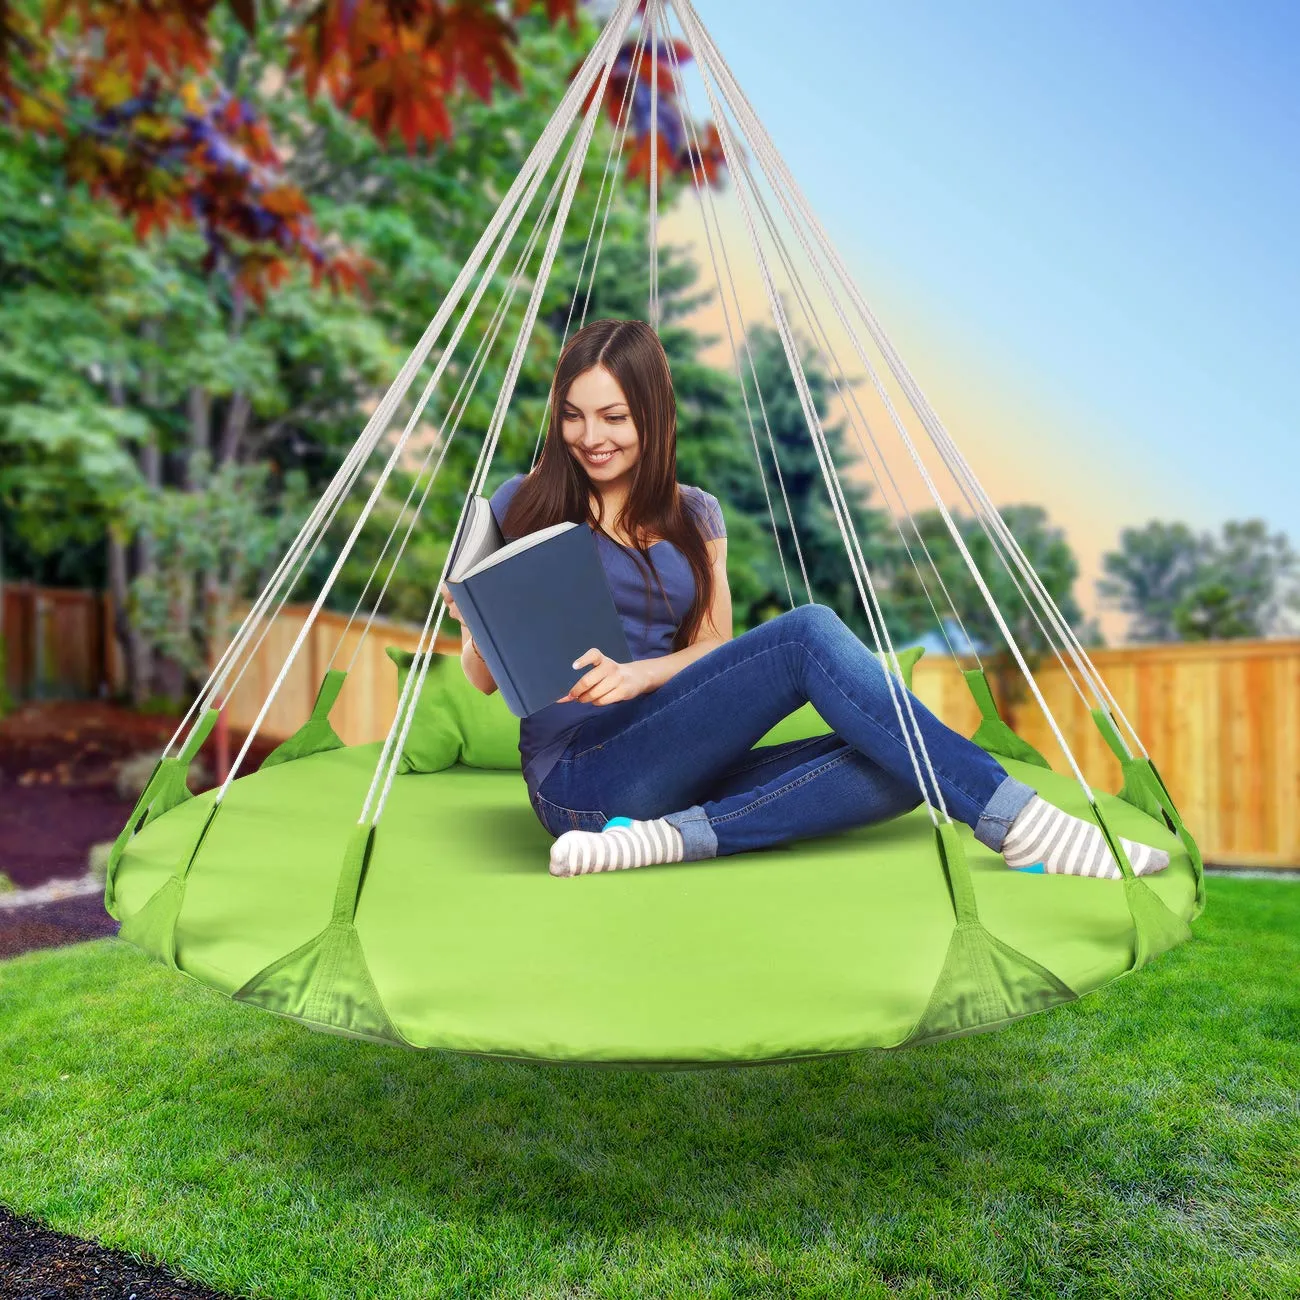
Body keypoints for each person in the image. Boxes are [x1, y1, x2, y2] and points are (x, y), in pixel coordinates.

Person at [441, 318, 1172, 882]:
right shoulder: (524, 501)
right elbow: (483, 677)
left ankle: (663, 839)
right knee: (808, 634)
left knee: (902, 766)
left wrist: (639, 676)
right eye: (574, 415)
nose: (590, 437)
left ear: (652, 417)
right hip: (579, 776)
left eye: (614, 417)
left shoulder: (695, 516)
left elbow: (712, 648)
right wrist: (477, 623)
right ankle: (1022, 825)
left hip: (675, 748)